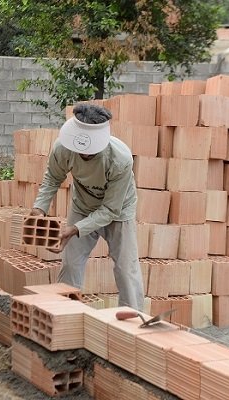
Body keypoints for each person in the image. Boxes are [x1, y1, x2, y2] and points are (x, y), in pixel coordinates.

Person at [30, 103, 145, 311]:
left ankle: (133, 320)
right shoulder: (63, 148)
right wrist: (39, 209)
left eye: (90, 152)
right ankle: (65, 313)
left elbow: (110, 210)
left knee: (126, 268)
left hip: (118, 211)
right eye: (80, 150)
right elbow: (52, 179)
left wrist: (74, 229)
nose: (84, 155)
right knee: (71, 263)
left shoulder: (120, 159)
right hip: (82, 205)